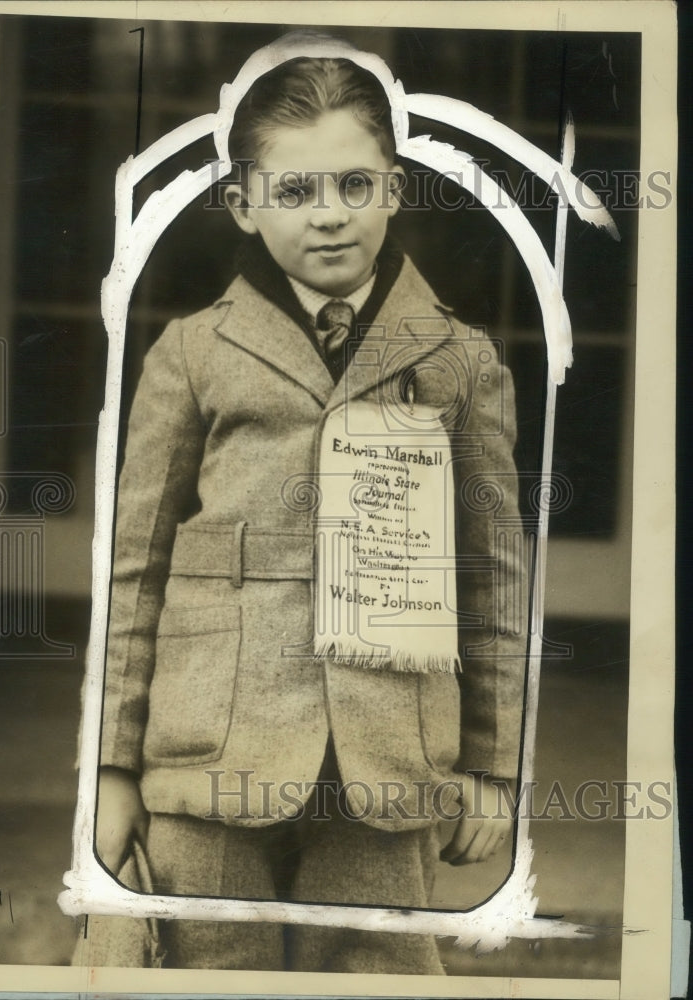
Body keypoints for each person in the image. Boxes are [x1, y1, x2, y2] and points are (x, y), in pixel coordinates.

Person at [94, 41, 527, 974]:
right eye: (293, 193)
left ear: (396, 188)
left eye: (353, 186)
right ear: (244, 205)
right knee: (207, 973)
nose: (328, 216)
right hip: (209, 757)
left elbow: (493, 583)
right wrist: (112, 769)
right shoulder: (190, 354)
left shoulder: (460, 362)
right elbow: (133, 574)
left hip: (387, 766)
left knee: (377, 979)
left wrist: (492, 768)